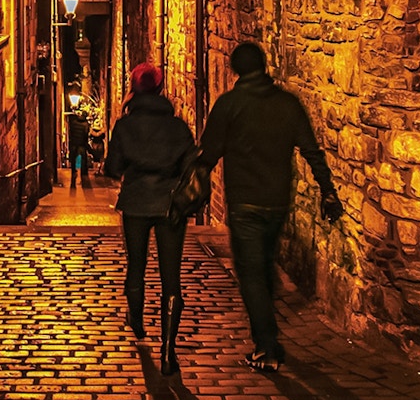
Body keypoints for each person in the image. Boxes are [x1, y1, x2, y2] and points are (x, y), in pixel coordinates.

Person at [192, 41, 344, 373]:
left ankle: (266, 345)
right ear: (264, 65)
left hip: (244, 201)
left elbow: (208, 153)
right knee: (263, 264)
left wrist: (193, 182)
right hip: (277, 201)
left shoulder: (229, 104)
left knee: (251, 275)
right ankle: (268, 330)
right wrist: (327, 189)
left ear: (235, 70)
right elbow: (311, 150)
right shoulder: (287, 104)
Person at [104, 63, 195, 375]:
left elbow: (113, 168)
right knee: (171, 277)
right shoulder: (179, 128)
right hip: (170, 206)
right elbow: (190, 169)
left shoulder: (124, 127)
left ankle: (139, 325)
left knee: (136, 266)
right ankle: (168, 351)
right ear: (159, 89)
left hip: (136, 203)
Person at [67, 109, 92, 188]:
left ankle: (74, 171)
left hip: (74, 143)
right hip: (81, 144)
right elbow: (85, 134)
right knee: (83, 158)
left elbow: (71, 133)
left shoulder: (73, 123)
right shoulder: (85, 124)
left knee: (74, 158)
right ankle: (84, 172)